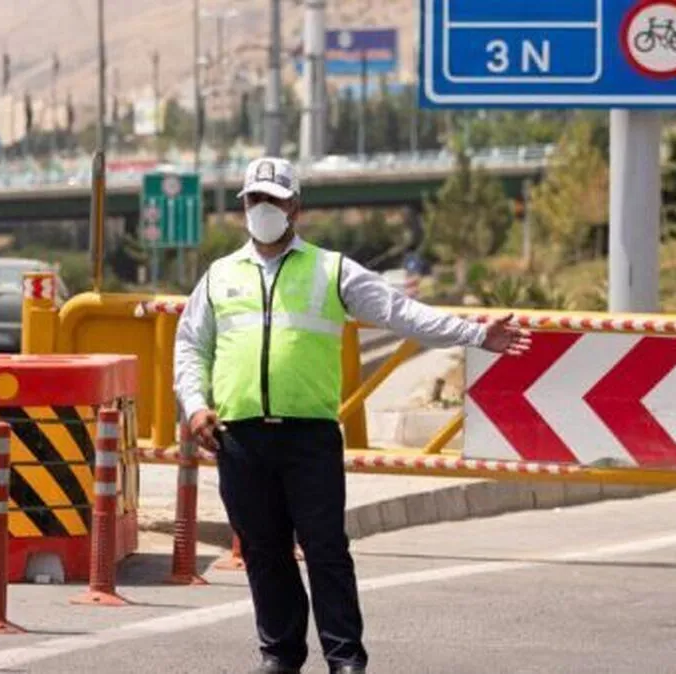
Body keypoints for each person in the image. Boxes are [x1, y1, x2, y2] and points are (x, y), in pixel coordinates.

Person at [173, 157, 532, 674]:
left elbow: (400, 313)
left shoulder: (331, 269)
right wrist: (195, 405)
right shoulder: (219, 276)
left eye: (274, 199)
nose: (263, 208)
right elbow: (191, 346)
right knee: (264, 551)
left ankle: (345, 658)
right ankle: (280, 655)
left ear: (295, 207)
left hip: (309, 437)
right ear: (243, 206)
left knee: (325, 550)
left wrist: (475, 334)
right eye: (255, 199)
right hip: (241, 438)